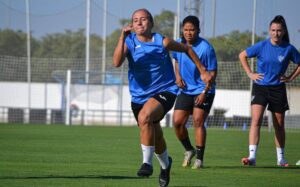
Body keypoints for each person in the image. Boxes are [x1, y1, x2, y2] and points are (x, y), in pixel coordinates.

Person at [113, 9, 212, 187]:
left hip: (166, 90)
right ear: (132, 25)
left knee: (145, 117)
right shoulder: (129, 41)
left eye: (143, 20)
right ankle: (166, 165)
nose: (139, 23)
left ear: (150, 23)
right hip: (139, 96)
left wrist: (203, 70)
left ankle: (147, 163)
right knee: (156, 136)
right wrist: (122, 37)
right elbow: (116, 62)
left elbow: (187, 49)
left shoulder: (162, 41)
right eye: (135, 20)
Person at [239, 15, 300, 167]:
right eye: (273, 30)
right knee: (256, 120)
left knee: (279, 124)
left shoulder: (289, 48)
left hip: (278, 89)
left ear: (284, 31)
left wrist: (291, 77)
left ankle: (281, 159)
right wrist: (250, 73)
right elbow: (242, 55)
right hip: (260, 87)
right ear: (269, 30)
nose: (275, 33)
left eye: (279, 30)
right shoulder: (261, 46)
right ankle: (252, 157)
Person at [172, 15, 217, 169]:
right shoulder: (178, 44)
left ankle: (199, 159)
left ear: (198, 30)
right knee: (177, 122)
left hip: (204, 90)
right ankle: (188, 150)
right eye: (186, 29)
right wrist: (177, 76)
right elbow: (176, 61)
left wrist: (205, 91)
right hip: (186, 90)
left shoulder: (206, 48)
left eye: (192, 30)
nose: (188, 33)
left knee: (198, 120)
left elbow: (212, 73)